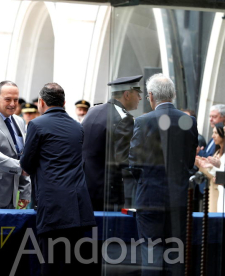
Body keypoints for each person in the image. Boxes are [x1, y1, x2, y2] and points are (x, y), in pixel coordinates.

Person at [20, 83, 96, 275]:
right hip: (77, 204)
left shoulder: (36, 125)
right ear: (64, 103)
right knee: (72, 262)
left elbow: (26, 164)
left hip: (52, 204)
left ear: (41, 102)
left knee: (50, 261)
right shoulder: (77, 127)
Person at [129, 73, 198, 276]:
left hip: (150, 198)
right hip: (178, 198)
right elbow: (189, 161)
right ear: (173, 95)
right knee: (176, 256)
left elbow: (134, 163)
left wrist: (146, 182)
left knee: (151, 256)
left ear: (150, 96)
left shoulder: (142, 121)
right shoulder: (189, 121)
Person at [82, 75, 143, 211]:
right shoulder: (123, 118)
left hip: (85, 183)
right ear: (127, 95)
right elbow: (122, 160)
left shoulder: (93, 110)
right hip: (107, 189)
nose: (139, 98)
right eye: (137, 93)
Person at [0, 81, 31, 209]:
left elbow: (22, 155)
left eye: (16, 99)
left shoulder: (19, 121)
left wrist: (25, 190)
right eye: (8, 99)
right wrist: (20, 168)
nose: (13, 104)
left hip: (14, 196)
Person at [195, 122, 225, 212]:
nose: (213, 136)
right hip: (215, 190)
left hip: (223, 191)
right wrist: (204, 165)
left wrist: (207, 166)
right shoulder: (218, 151)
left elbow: (223, 172)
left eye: (216, 133)